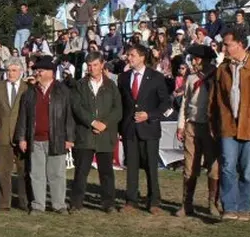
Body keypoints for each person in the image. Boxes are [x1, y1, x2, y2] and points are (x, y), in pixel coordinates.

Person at [209, 31, 250, 222]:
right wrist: (214, 124)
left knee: (247, 170)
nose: (224, 48)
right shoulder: (222, 69)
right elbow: (214, 100)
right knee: (227, 167)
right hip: (228, 126)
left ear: (240, 45)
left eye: (227, 44)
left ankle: (244, 207)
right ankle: (229, 207)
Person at [14, 56, 75, 214]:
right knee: (36, 174)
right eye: (36, 71)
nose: (37, 73)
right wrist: (22, 138)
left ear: (51, 72)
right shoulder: (29, 93)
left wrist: (69, 138)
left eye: (40, 71)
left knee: (57, 174)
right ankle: (38, 205)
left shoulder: (63, 91)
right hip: (35, 140)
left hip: (56, 139)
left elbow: (69, 116)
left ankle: (59, 205)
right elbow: (23, 117)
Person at [117, 44, 171, 214]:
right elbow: (121, 104)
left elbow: (165, 103)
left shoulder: (156, 77)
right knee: (131, 166)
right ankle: (131, 200)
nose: (129, 58)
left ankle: (154, 201)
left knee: (151, 167)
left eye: (132, 55)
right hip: (129, 129)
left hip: (149, 128)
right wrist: (120, 127)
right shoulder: (123, 77)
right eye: (128, 55)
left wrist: (149, 115)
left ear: (142, 57)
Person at [70, 51, 122, 213]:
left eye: (95, 65)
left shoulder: (111, 85)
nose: (92, 68)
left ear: (102, 65)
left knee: (106, 172)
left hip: (106, 135)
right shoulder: (80, 85)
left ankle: (108, 203)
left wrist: (104, 124)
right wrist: (92, 122)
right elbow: (77, 107)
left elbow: (118, 109)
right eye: (89, 65)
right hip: (85, 134)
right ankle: (76, 203)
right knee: (81, 171)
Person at [175, 45, 220, 217]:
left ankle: (213, 203)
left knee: (214, 166)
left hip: (211, 127)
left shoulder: (216, 76)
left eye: (197, 58)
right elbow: (185, 102)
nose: (193, 61)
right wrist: (181, 125)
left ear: (206, 60)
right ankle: (186, 203)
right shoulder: (191, 78)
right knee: (189, 166)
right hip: (192, 125)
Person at [0, 58, 30, 212]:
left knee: (24, 171)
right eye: (8, 70)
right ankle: (4, 203)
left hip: (22, 136)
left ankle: (24, 202)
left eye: (14, 70)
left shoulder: (28, 88)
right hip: (2, 135)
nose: (11, 73)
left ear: (21, 71)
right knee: (3, 172)